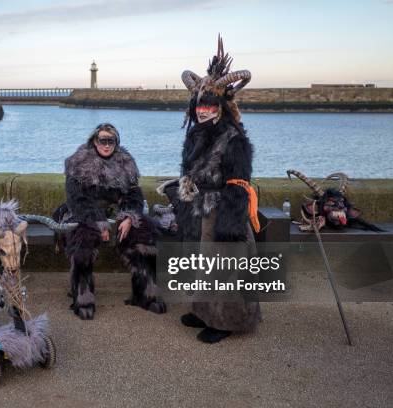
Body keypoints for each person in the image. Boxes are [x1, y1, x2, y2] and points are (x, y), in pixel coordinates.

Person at [159, 36, 261, 343]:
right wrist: (181, 194)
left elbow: (239, 184)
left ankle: (226, 321)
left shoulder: (234, 139)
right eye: (199, 106)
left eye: (209, 106)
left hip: (223, 211)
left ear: (220, 107)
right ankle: (204, 311)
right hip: (198, 209)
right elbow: (189, 172)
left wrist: (230, 226)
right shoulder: (194, 136)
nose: (203, 111)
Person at [54, 123, 166, 320]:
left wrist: (129, 217)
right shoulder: (78, 162)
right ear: (94, 141)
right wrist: (99, 222)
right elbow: (76, 199)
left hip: (116, 212)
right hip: (83, 212)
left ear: (116, 142)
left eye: (111, 141)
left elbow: (134, 194)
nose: (106, 145)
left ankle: (146, 294)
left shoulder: (125, 163)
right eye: (102, 140)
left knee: (145, 234)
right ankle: (83, 297)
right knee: (83, 242)